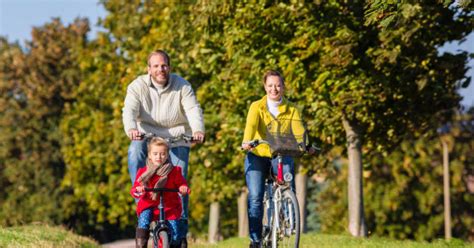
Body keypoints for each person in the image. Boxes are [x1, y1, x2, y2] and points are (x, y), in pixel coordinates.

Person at [123, 50, 205, 237]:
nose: (161, 69)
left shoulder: (182, 86)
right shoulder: (137, 86)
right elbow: (129, 110)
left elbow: (193, 109)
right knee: (135, 152)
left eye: (164, 65)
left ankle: (180, 224)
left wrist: (198, 130)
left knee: (179, 177)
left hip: (177, 137)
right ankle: (143, 205)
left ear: (169, 67)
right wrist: (131, 129)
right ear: (149, 69)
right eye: (156, 66)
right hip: (147, 134)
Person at [241, 70, 306, 248]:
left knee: (287, 181)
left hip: (281, 153)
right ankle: (255, 239)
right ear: (265, 87)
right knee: (255, 196)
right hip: (257, 154)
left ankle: (286, 219)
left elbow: (299, 130)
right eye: (270, 85)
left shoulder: (291, 109)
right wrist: (247, 141)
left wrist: (304, 144)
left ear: (283, 87)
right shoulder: (257, 106)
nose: (274, 89)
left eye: (278, 85)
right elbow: (251, 125)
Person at [131, 137, 189, 248]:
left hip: (169, 206)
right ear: (149, 155)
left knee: (175, 231)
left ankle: (173, 243)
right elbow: (135, 189)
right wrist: (139, 189)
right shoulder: (143, 172)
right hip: (149, 205)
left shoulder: (174, 171)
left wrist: (183, 188)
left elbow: (182, 183)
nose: (159, 157)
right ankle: (140, 244)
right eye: (155, 154)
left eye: (162, 154)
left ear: (167, 155)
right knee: (143, 220)